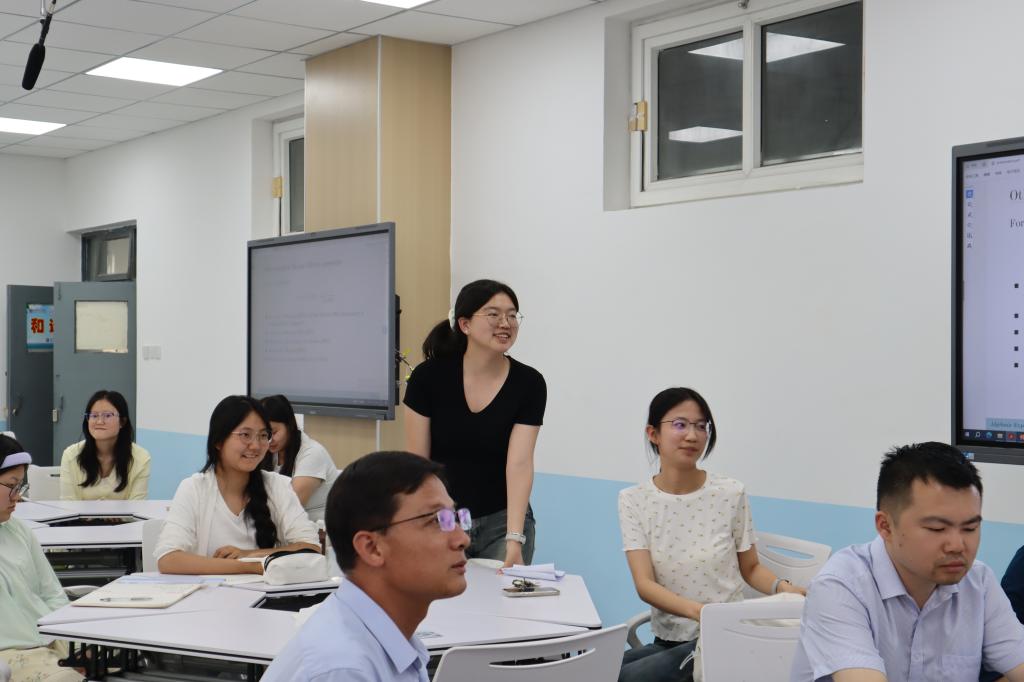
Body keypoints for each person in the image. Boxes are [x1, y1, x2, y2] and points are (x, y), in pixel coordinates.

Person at [791, 442, 1024, 682]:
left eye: (970, 528)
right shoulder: (840, 586)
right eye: (937, 528)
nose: (957, 545)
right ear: (885, 526)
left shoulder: (979, 582)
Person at [618, 387, 805, 682]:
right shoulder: (633, 500)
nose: (692, 435)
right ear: (653, 434)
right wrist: (701, 612)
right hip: (670, 639)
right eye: (680, 424)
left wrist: (783, 588)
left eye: (701, 426)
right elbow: (645, 584)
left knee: (628, 678)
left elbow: (751, 568)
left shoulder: (730, 493)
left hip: (724, 637)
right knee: (599, 669)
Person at [263, 451, 470, 681]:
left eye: (455, 518)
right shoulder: (344, 668)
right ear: (372, 548)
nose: (462, 539)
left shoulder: (385, 637)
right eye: (436, 521)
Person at [404, 279, 546, 567]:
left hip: (503, 521)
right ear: (465, 324)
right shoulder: (428, 378)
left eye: (512, 315)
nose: (505, 323)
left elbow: (519, 464)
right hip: (444, 518)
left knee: (502, 595)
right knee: (444, 594)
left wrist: (515, 538)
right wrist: (422, 523)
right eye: (493, 314)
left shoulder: (529, 383)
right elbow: (418, 462)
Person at [155, 395, 320, 575]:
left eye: (263, 435)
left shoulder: (277, 486)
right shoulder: (194, 488)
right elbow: (168, 559)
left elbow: (311, 548)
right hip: (210, 592)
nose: (256, 446)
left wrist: (249, 554)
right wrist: (251, 566)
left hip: (266, 591)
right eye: (245, 435)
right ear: (219, 441)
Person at [0, 435, 82, 681]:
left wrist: (77, 645)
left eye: (21, 487)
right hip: (12, 653)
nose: (17, 497)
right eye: (12, 485)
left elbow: (52, 594)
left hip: (51, 640)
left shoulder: (19, 530)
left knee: (126, 657)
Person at [59, 389, 151, 500]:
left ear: (122, 421)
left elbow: (137, 505)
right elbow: (68, 503)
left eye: (107, 415)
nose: (99, 421)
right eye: (94, 416)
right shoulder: (71, 455)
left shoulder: (140, 457)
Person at [261, 394, 339, 523]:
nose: (269, 440)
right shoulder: (270, 451)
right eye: (264, 434)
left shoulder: (312, 453)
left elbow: (290, 506)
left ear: (289, 425)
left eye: (273, 433)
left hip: (319, 529)